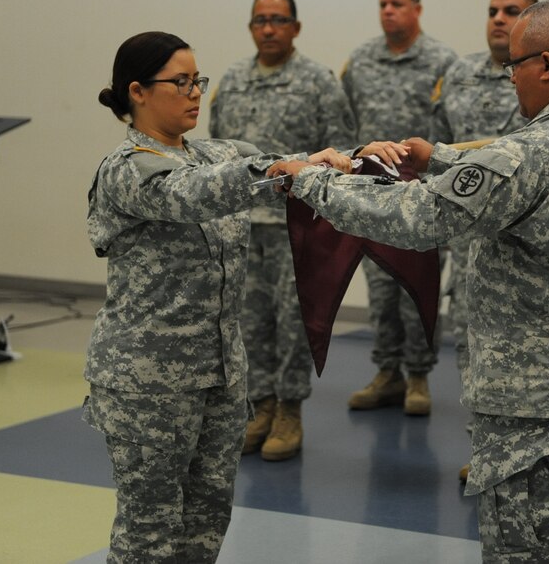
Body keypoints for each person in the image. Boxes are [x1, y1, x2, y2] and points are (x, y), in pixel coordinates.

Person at [270, 0, 549, 563]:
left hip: (536, 402)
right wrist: (442, 159)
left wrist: (311, 183)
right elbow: (518, 191)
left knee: (528, 552)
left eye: (515, 66)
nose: (511, 79)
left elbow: (419, 219)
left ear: (546, 65)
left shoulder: (532, 150)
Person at [83, 31, 349, 562]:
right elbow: (192, 194)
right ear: (137, 91)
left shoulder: (213, 152)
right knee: (149, 535)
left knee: (205, 524)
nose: (194, 92)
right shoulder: (128, 166)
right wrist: (273, 171)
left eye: (197, 80)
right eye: (179, 82)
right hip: (149, 382)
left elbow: (277, 160)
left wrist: (348, 158)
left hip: (220, 375)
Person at [208, 0, 356, 462]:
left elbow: (341, 151)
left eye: (278, 20)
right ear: (250, 27)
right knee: (247, 320)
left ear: (296, 27)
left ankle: (290, 409)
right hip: (242, 222)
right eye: (259, 20)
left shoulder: (317, 82)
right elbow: (218, 151)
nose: (268, 28)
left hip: (296, 222)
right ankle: (260, 405)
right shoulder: (231, 80)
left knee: (292, 322)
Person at [431, 0, 537, 483]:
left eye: (511, 11)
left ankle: (524, 451)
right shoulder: (459, 74)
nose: (498, 18)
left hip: (520, 237)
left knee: (521, 348)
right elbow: (439, 146)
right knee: (470, 347)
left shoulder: (542, 74)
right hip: (467, 241)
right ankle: (484, 449)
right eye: (492, 10)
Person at [340, 0, 458, 416]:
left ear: (417, 9)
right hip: (372, 194)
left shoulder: (443, 62)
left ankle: (420, 377)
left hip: (422, 197)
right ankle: (387, 372)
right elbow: (346, 122)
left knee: (418, 290)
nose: (389, 11)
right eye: (383, 3)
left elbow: (449, 131)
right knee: (381, 292)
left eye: (397, 4)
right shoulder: (361, 61)